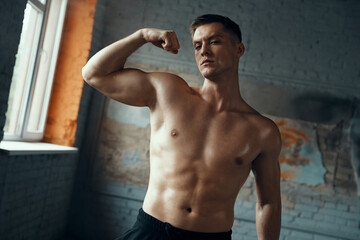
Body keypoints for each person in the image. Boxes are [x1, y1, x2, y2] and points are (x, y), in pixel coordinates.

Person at [82, 14, 281, 240]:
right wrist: (143, 35)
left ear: (239, 49)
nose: (203, 51)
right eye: (197, 45)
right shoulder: (168, 92)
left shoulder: (262, 131)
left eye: (214, 42)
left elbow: (268, 203)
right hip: (151, 231)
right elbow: (93, 74)